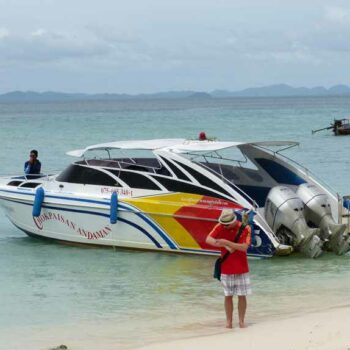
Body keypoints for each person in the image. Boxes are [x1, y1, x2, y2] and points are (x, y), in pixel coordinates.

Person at [206, 208, 252, 329]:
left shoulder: (245, 228)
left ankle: (241, 321)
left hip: (242, 267)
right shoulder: (220, 226)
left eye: (227, 224)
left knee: (242, 295)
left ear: (234, 221)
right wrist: (225, 245)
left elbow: (244, 247)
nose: (225, 226)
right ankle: (229, 322)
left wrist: (227, 242)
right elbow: (208, 239)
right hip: (226, 267)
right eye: (223, 224)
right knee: (228, 296)